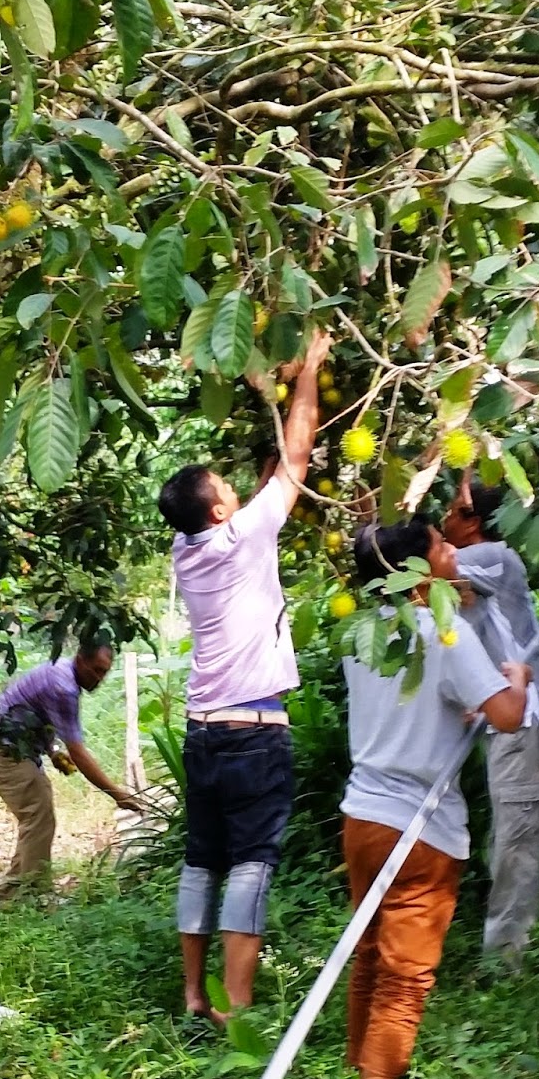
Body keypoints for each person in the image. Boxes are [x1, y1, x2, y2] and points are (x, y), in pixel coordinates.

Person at [156, 328, 332, 1023]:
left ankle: (193, 995)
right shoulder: (241, 535)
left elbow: (256, 505)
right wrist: (309, 371)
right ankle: (237, 1009)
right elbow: (298, 455)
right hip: (253, 733)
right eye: (227, 489)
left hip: (203, 732)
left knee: (202, 860)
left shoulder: (188, 548)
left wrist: (260, 477)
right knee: (251, 863)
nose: (235, 490)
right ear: (221, 512)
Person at [342, 516, 530, 1079]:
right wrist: (515, 681)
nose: (453, 551)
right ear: (418, 572)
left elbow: (413, 706)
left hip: (364, 817)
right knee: (406, 974)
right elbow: (508, 715)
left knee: (372, 955)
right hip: (418, 831)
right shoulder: (443, 630)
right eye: (442, 546)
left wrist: (465, 705)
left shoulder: (364, 633)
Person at [443, 476, 539, 965]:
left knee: (515, 849)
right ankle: (507, 954)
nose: (443, 522)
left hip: (526, 726)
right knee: (509, 842)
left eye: (451, 511)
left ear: (473, 521)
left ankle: (505, 967)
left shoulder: (493, 557)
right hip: (511, 728)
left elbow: (427, 570)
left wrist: (384, 540)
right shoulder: (468, 577)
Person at [0, 643, 143, 882]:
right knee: (37, 815)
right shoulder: (64, 688)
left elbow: (39, 713)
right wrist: (117, 794)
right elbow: (78, 753)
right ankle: (28, 891)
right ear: (80, 660)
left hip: (10, 745)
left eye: (104, 672)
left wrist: (52, 750)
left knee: (38, 814)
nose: (99, 678)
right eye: (96, 670)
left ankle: (19, 888)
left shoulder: (62, 670)